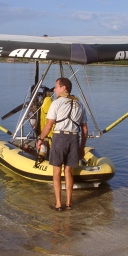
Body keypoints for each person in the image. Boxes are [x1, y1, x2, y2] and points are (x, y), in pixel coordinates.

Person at [37, 77, 88, 211]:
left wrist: (41, 138)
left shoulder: (56, 103)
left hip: (60, 138)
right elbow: (85, 130)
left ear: (63, 88)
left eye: (56, 87)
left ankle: (59, 204)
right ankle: (69, 203)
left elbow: (49, 126)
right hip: (74, 138)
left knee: (56, 172)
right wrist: (82, 148)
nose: (54, 89)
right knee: (68, 172)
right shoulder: (80, 105)